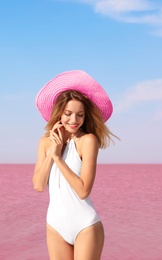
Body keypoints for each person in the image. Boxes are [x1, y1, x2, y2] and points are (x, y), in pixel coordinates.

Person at [32, 70, 117, 260]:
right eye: (68, 114)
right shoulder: (46, 142)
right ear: (59, 114)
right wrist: (53, 151)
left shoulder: (88, 141)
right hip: (55, 226)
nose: (74, 120)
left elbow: (83, 190)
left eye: (80, 115)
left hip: (85, 225)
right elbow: (38, 185)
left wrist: (58, 159)